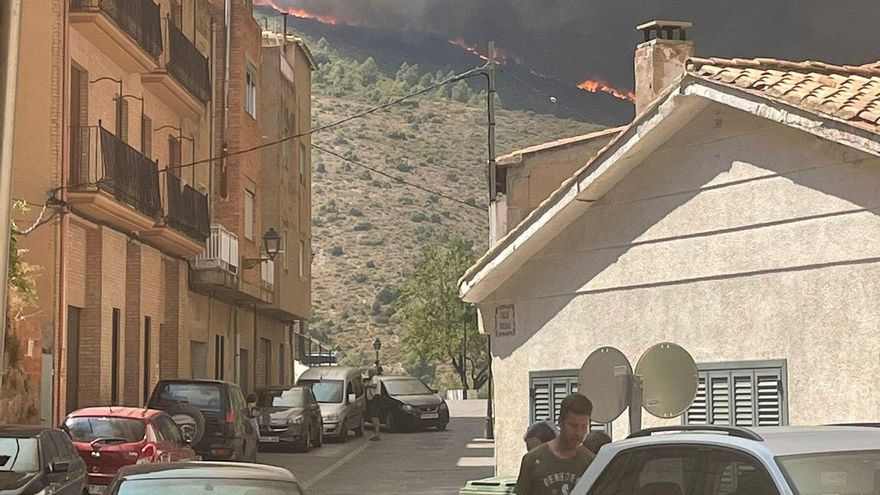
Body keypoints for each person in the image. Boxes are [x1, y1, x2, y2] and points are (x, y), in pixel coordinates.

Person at [514, 393, 595, 495]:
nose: (578, 433)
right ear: (560, 422)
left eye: (583, 427)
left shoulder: (591, 463)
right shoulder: (532, 459)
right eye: (573, 426)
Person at [365, 367, 382, 441]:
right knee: (374, 417)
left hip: (375, 398)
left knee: (374, 416)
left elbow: (374, 386)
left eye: (370, 372)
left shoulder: (374, 378)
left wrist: (366, 386)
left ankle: (376, 434)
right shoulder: (372, 379)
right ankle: (376, 433)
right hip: (373, 399)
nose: (369, 374)